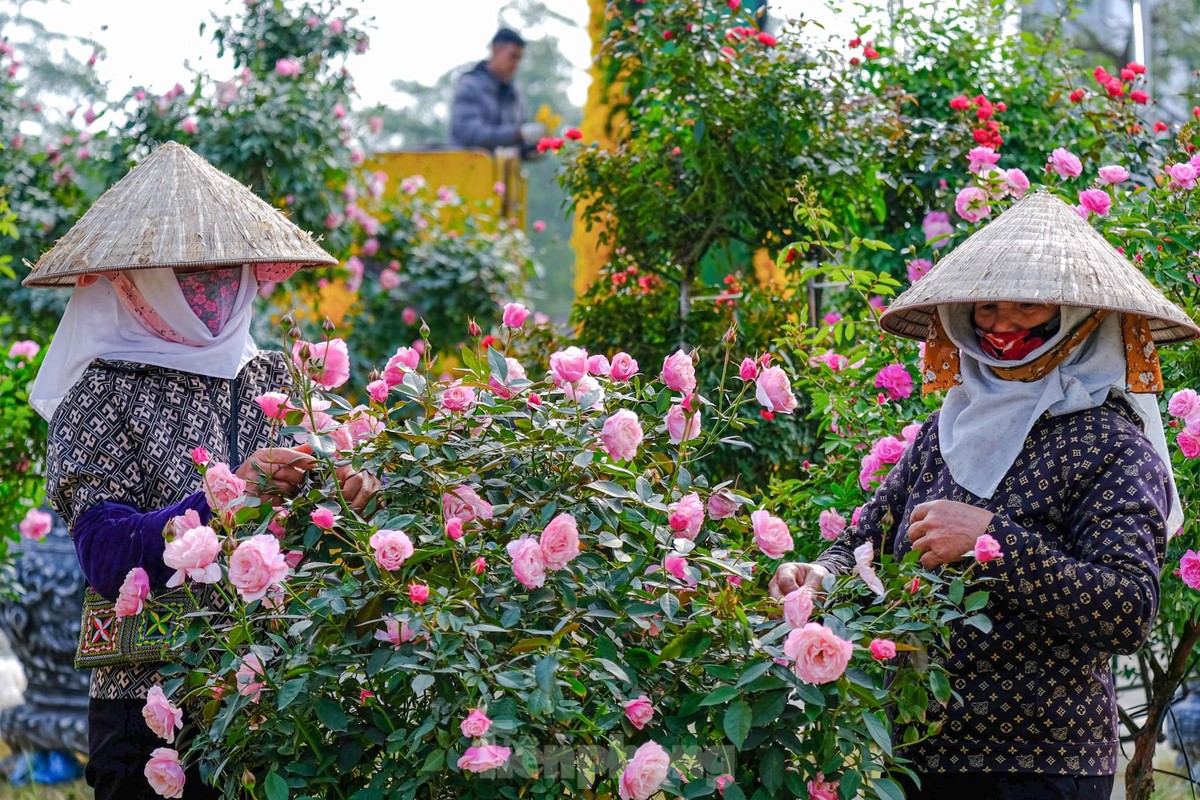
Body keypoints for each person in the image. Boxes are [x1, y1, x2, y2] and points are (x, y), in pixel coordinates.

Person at [770, 190, 1196, 800]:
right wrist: (816, 574)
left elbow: (1127, 609)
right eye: (987, 306)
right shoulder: (948, 430)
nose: (1000, 326)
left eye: (1026, 306)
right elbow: (862, 542)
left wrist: (991, 541)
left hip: (1042, 766)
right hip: (920, 755)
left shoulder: (1112, 446)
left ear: (1078, 317)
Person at [26, 142, 378, 799]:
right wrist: (227, 497)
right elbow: (106, 557)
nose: (213, 282)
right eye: (191, 267)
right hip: (148, 700)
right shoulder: (101, 393)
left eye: (225, 265)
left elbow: (328, 528)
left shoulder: (276, 376)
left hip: (281, 692)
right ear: (135, 278)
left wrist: (357, 492)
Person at [449, 28, 542, 156]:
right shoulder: (470, 86)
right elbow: (470, 134)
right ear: (496, 49)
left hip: (503, 172)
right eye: (512, 57)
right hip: (468, 169)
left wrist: (534, 147)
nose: (516, 64)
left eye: (519, 59)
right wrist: (518, 133)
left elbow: (516, 146)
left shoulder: (514, 93)